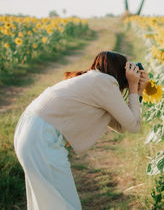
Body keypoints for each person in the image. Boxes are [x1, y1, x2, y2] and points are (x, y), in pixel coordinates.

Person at [13, 50, 149, 210]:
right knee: (65, 205)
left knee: (46, 203)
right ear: (119, 72)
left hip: (30, 131)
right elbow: (133, 126)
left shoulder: (95, 81)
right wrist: (133, 86)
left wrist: (137, 91)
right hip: (41, 138)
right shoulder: (104, 82)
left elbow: (123, 125)